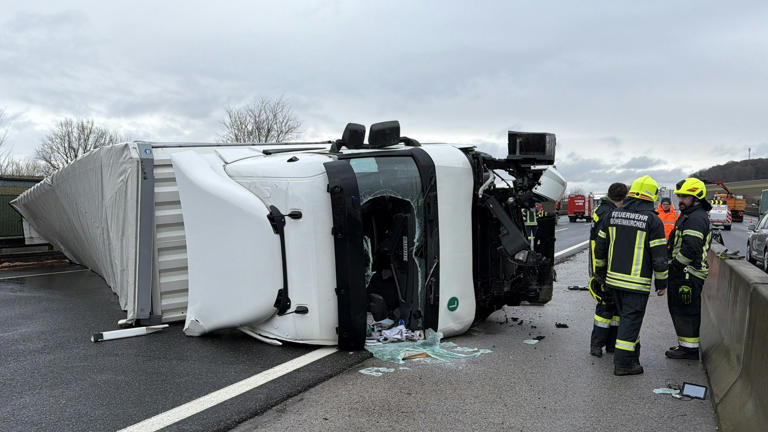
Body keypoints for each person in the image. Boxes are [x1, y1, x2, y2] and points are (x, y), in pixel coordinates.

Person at [594, 175, 668, 376]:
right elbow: (659, 256)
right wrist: (661, 282)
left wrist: (600, 272)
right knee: (630, 321)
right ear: (651, 196)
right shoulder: (653, 220)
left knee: (627, 321)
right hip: (636, 283)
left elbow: (600, 247)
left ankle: (633, 356)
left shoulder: (613, 215)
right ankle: (624, 364)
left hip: (613, 281)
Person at [665, 177, 712, 360]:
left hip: (688, 273)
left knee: (686, 311)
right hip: (686, 273)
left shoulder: (695, 218)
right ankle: (686, 346)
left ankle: (689, 350)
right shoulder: (692, 215)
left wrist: (675, 266)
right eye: (680, 196)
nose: (680, 200)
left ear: (696, 198)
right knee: (681, 309)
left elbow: (691, 247)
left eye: (685, 197)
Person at [588, 182, 628, 358]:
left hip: (602, 265)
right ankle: (597, 345)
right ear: (623, 198)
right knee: (605, 308)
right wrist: (600, 272)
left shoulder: (602, 209)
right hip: (604, 267)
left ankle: (611, 343)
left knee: (615, 308)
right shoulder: (609, 213)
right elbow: (604, 244)